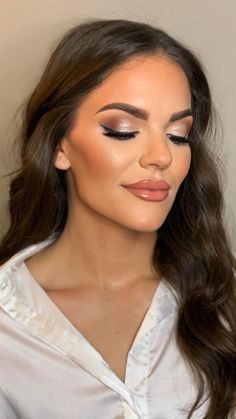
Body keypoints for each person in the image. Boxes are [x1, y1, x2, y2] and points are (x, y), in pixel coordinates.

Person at [0, 18, 235, 419]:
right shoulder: (8, 329)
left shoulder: (220, 302)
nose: (161, 156)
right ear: (60, 146)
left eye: (178, 134)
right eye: (122, 129)